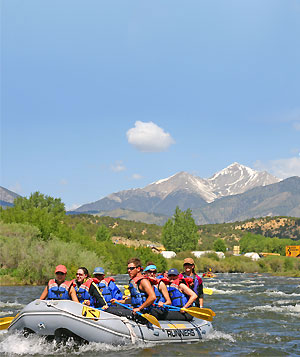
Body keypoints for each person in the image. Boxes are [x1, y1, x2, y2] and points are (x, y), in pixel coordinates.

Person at [107, 258, 157, 323]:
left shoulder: (143, 281)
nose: (129, 271)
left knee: (109, 310)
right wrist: (118, 301)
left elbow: (153, 297)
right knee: (110, 308)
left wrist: (139, 308)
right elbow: (134, 299)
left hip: (143, 313)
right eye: (128, 269)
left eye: (131, 268)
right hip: (135, 310)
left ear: (138, 269)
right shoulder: (134, 282)